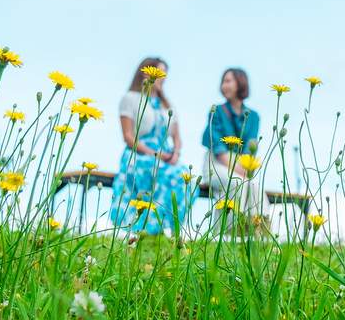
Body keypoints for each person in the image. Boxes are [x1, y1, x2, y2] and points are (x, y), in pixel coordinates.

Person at [110, 56, 192, 237]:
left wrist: (175, 153)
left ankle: (167, 227)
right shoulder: (130, 99)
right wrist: (155, 154)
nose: (163, 77)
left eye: (164, 73)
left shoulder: (167, 106)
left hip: (167, 156)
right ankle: (146, 228)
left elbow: (177, 137)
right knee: (160, 173)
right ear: (145, 71)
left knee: (185, 178)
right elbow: (128, 137)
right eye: (159, 72)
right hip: (139, 154)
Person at [200, 67, 267, 232]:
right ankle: (222, 233)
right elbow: (218, 147)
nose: (224, 85)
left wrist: (245, 168)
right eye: (223, 81)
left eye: (228, 81)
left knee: (255, 187)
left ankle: (258, 232)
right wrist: (240, 170)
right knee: (236, 183)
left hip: (241, 166)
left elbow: (250, 149)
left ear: (240, 83)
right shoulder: (216, 111)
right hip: (215, 164)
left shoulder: (253, 116)